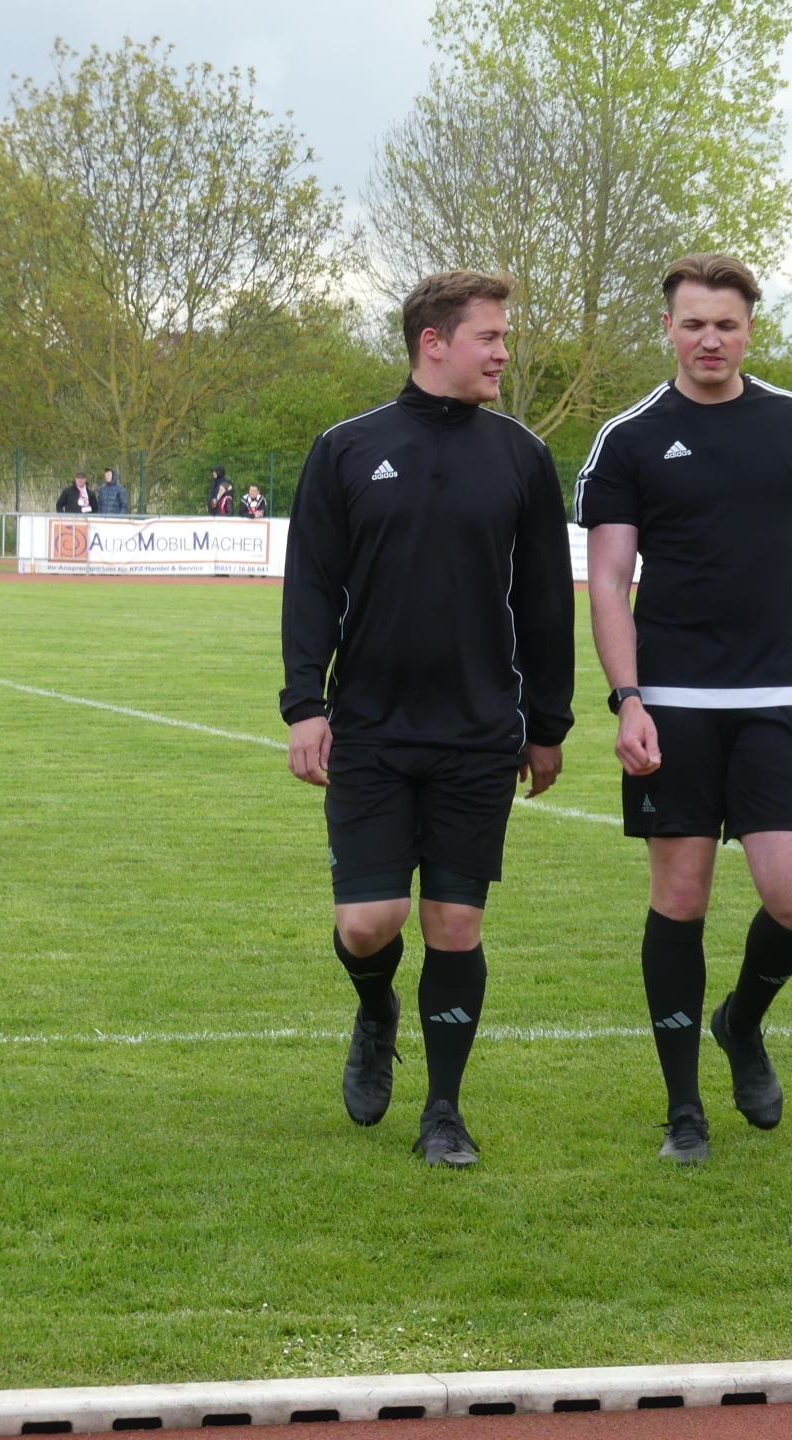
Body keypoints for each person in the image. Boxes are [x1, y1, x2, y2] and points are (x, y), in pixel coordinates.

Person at [579, 252, 792, 1166]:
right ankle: (684, 1111)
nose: (710, 340)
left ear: (750, 328)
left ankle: (741, 1021)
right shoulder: (630, 437)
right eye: (693, 323)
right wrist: (628, 699)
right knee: (680, 898)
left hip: (781, 696)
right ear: (668, 328)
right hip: (671, 703)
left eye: (726, 324)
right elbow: (608, 581)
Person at [280, 269, 575, 1168]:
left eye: (504, 336)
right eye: (490, 336)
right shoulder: (345, 448)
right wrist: (305, 704)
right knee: (369, 923)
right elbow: (310, 587)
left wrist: (547, 724)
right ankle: (376, 1007)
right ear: (433, 342)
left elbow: (545, 603)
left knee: (455, 925)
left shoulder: (523, 457)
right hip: (370, 729)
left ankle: (443, 1111)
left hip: (479, 733)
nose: (503, 352)